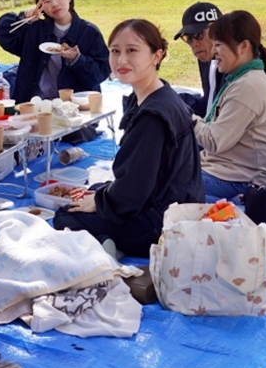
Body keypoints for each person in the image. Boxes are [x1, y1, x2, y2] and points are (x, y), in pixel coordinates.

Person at [53, 19, 203, 256]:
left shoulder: (152, 116)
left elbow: (133, 191)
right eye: (115, 51)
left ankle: (109, 245)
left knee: (64, 215)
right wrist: (101, 196)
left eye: (132, 50)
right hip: (171, 203)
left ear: (157, 55)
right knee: (93, 190)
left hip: (160, 224)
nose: (121, 60)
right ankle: (107, 240)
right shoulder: (157, 94)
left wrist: (101, 202)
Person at [193, 10, 266, 203]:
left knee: (169, 184)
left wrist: (185, 116)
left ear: (244, 46)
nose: (214, 51)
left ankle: (235, 204)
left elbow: (214, 141)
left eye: (218, 45)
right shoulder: (241, 79)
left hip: (244, 180)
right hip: (228, 170)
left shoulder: (247, 86)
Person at [0, 0, 109, 104]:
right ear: (41, 6)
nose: (54, 4)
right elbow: (3, 33)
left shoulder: (89, 33)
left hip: (73, 107)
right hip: (34, 103)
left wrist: (77, 59)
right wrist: (23, 17)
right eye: (47, 1)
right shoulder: (35, 29)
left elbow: (100, 74)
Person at [173, 1, 224, 118]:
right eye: (188, 38)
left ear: (218, 31)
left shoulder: (235, 68)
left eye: (198, 35)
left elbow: (219, 119)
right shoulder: (207, 59)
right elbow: (210, 104)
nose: (194, 44)